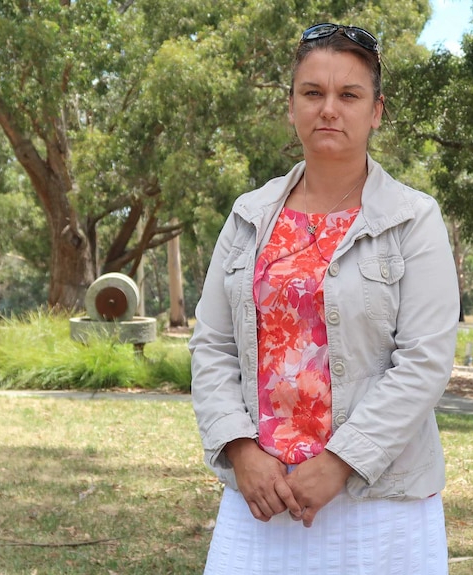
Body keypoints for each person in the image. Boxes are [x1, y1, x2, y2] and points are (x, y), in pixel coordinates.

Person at [188, 22, 459, 575]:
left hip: (379, 502)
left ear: (376, 111)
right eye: (312, 93)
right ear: (291, 106)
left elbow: (424, 362)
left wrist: (340, 463)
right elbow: (211, 346)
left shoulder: (413, 219)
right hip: (261, 501)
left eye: (349, 95)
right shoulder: (247, 217)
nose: (328, 108)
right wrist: (240, 450)